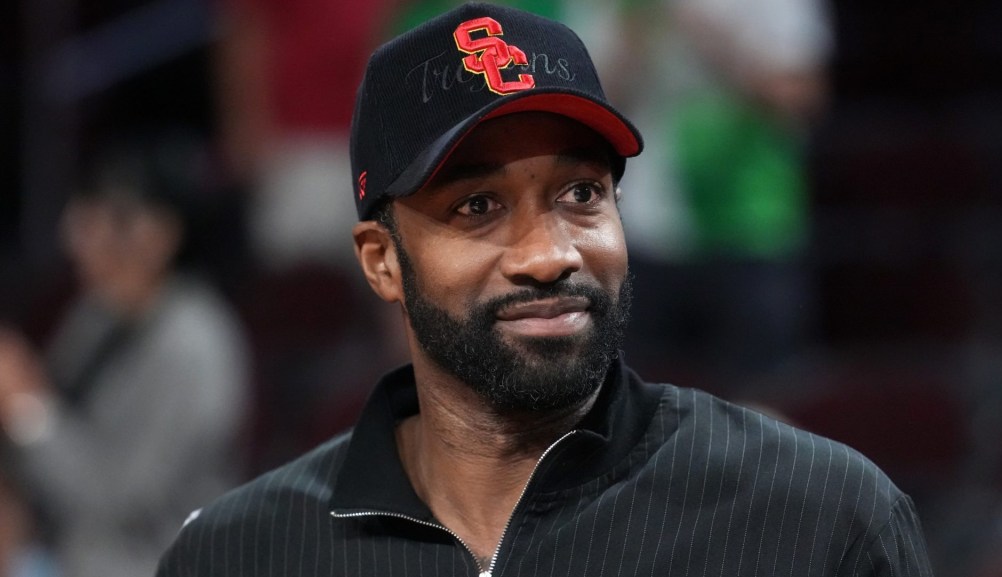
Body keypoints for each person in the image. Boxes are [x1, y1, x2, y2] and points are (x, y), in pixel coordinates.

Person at [156, 3, 933, 575]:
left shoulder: (817, 518)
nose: (547, 254)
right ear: (382, 261)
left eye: (581, 194)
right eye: (477, 206)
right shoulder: (241, 555)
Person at [0, 130, 250, 577]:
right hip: (64, 555)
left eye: (96, 217)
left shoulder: (195, 341)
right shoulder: (95, 314)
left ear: (159, 234)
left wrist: (27, 410)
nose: (74, 234)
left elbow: (126, 500)